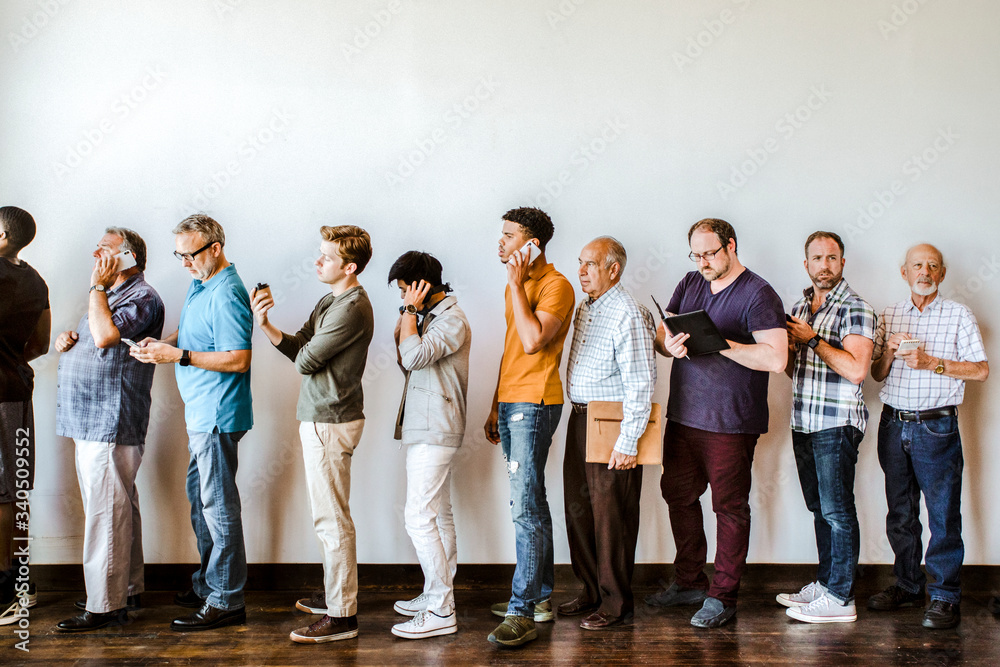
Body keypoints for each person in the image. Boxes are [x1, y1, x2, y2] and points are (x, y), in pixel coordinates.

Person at [646, 218, 785, 628]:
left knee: (728, 507)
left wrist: (724, 345)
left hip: (731, 420)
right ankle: (689, 581)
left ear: (731, 246)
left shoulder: (758, 293)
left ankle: (723, 596)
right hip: (684, 414)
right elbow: (662, 333)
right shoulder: (690, 281)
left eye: (710, 253)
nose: (703, 261)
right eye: (696, 254)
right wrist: (666, 344)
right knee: (678, 495)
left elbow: (775, 358)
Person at [251, 225, 374, 644]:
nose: (317, 262)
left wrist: (297, 346)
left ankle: (342, 616)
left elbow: (304, 361)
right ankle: (336, 598)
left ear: (350, 266)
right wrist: (264, 323)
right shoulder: (331, 299)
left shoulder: (351, 308)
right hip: (322, 418)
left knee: (332, 519)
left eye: (326, 257)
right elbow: (301, 344)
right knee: (328, 516)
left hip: (331, 421)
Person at [131, 214, 253, 631]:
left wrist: (178, 357)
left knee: (219, 508)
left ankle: (227, 599)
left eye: (190, 254)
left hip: (218, 414)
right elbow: (190, 333)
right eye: (178, 254)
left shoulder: (228, 292)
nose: (183, 262)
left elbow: (238, 359)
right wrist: (161, 345)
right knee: (202, 502)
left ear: (214, 249)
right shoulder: (200, 282)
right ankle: (208, 584)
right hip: (200, 413)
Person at [869, 243, 988, 629]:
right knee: (900, 514)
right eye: (917, 265)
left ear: (941, 274)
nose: (925, 271)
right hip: (893, 424)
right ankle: (907, 585)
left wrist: (931, 363)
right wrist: (887, 353)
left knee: (942, 515)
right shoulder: (890, 313)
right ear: (904, 272)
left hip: (936, 426)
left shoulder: (958, 315)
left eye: (932, 266)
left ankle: (944, 596)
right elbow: (877, 374)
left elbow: (981, 370)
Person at [54, 228, 164, 632]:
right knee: (119, 507)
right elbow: (95, 337)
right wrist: (70, 340)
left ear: (129, 256)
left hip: (110, 420)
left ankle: (105, 604)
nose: (96, 251)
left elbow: (105, 336)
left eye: (106, 247)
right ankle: (127, 588)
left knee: (106, 512)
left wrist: (96, 289)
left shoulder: (143, 296)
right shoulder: (111, 294)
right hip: (92, 419)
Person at [484, 207, 575, 647]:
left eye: (508, 235)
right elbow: (510, 347)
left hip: (537, 403)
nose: (500, 242)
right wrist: (494, 403)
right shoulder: (516, 285)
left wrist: (516, 285)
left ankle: (522, 611)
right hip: (513, 400)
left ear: (533, 242)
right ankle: (538, 598)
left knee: (524, 506)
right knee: (532, 501)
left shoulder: (556, 285)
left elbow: (534, 339)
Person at [779, 231, 875, 624]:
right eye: (817, 258)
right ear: (806, 264)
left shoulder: (856, 308)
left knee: (837, 511)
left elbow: (856, 370)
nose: (824, 265)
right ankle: (826, 583)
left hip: (836, 424)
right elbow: (794, 372)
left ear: (842, 263)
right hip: (803, 422)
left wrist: (812, 338)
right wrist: (790, 349)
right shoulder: (800, 307)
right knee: (819, 509)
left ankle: (841, 598)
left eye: (832, 258)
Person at [560, 237, 655, 630]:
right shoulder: (588, 306)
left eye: (590, 264)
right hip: (580, 418)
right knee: (578, 511)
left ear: (613, 269)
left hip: (614, 423)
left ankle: (616, 603)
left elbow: (641, 383)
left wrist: (628, 442)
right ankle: (590, 590)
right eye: (580, 263)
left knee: (611, 518)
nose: (581, 271)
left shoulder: (629, 313)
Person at [385, 251, 471, 640]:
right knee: (438, 513)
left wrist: (408, 311)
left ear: (422, 285)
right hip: (427, 426)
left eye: (405, 289)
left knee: (418, 516)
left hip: (436, 427)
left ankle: (440, 607)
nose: (402, 297)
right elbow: (405, 359)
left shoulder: (452, 319)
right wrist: (411, 314)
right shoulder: (429, 318)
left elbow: (414, 355)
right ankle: (439, 592)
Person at [0, 206, 50, 627]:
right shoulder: (36, 281)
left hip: (2, 397)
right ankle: (21, 585)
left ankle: (8, 593)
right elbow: (41, 343)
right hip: (16, 391)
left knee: (3, 493)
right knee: (14, 488)